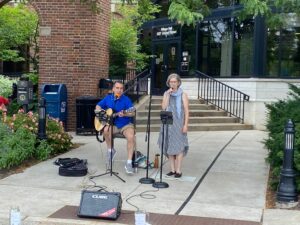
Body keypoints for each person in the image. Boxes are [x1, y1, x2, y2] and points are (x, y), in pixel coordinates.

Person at [95, 81, 136, 174]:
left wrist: (125, 113)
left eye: (121, 88)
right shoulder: (108, 98)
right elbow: (98, 106)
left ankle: (129, 163)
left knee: (131, 137)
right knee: (105, 130)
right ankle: (111, 150)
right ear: (113, 89)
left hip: (125, 124)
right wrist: (102, 112)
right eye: (117, 88)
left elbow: (133, 112)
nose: (119, 90)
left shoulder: (126, 99)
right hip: (112, 124)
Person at [158, 73, 189, 178]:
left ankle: (178, 170)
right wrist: (168, 95)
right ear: (168, 82)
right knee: (169, 145)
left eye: (175, 81)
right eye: (171, 82)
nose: (173, 83)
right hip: (167, 121)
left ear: (179, 83)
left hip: (179, 122)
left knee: (179, 146)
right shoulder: (166, 93)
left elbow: (186, 111)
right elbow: (164, 107)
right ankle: (172, 169)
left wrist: (185, 125)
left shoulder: (183, 94)